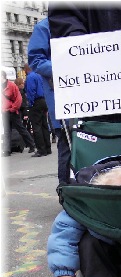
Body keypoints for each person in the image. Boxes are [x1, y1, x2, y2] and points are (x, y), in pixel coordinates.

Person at [28, 17, 71, 183]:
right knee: (67, 148)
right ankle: (67, 194)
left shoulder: (85, 19)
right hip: (63, 101)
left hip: (89, 104)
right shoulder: (45, 26)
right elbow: (36, 60)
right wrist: (71, 69)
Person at [1, 70, 35, 157]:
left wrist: (13, 108)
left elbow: (18, 99)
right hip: (5, 111)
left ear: (3, 77)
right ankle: (7, 150)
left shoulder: (12, 86)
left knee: (21, 129)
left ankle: (31, 144)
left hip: (13, 111)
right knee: (7, 131)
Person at [24, 64, 52, 158]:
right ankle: (48, 148)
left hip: (36, 102)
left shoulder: (30, 77)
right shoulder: (39, 75)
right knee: (44, 125)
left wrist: (30, 103)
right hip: (43, 101)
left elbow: (31, 91)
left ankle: (41, 150)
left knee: (37, 126)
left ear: (26, 69)